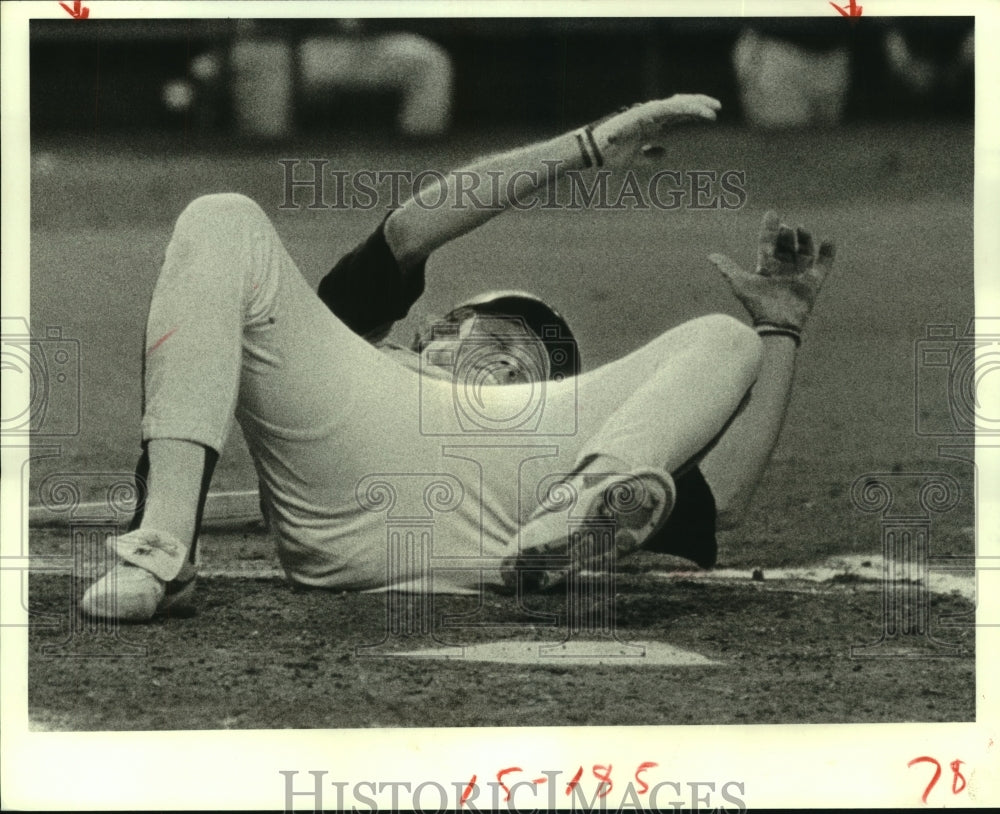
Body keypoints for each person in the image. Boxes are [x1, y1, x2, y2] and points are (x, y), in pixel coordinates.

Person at [80, 94, 834, 622]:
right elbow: (414, 228)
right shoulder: (359, 349)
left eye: (516, 347)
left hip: (529, 491)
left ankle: (578, 508)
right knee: (222, 216)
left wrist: (779, 330)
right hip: (355, 455)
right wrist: (586, 147)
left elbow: (722, 500)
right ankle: (162, 547)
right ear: (429, 333)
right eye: (466, 327)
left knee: (725, 338)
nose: (486, 352)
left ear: (532, 375)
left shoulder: (562, 418)